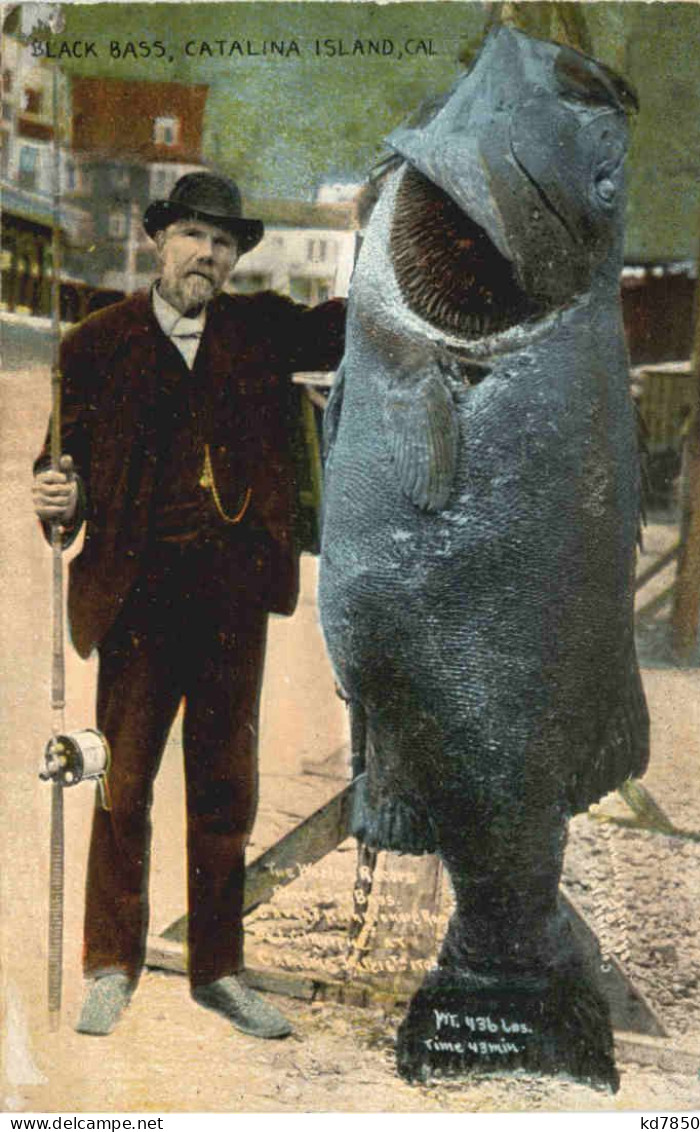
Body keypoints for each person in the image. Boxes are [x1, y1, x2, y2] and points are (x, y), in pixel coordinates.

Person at [32, 172, 345, 1039]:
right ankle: (109, 964)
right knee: (119, 788)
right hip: (135, 603)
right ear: (158, 242)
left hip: (229, 605)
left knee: (222, 793)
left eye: (222, 243)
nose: (206, 255)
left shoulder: (260, 332)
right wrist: (55, 496)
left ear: (236, 257)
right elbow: (64, 465)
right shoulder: (94, 345)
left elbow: (348, 324)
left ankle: (219, 971)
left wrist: (397, 221)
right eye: (192, 237)